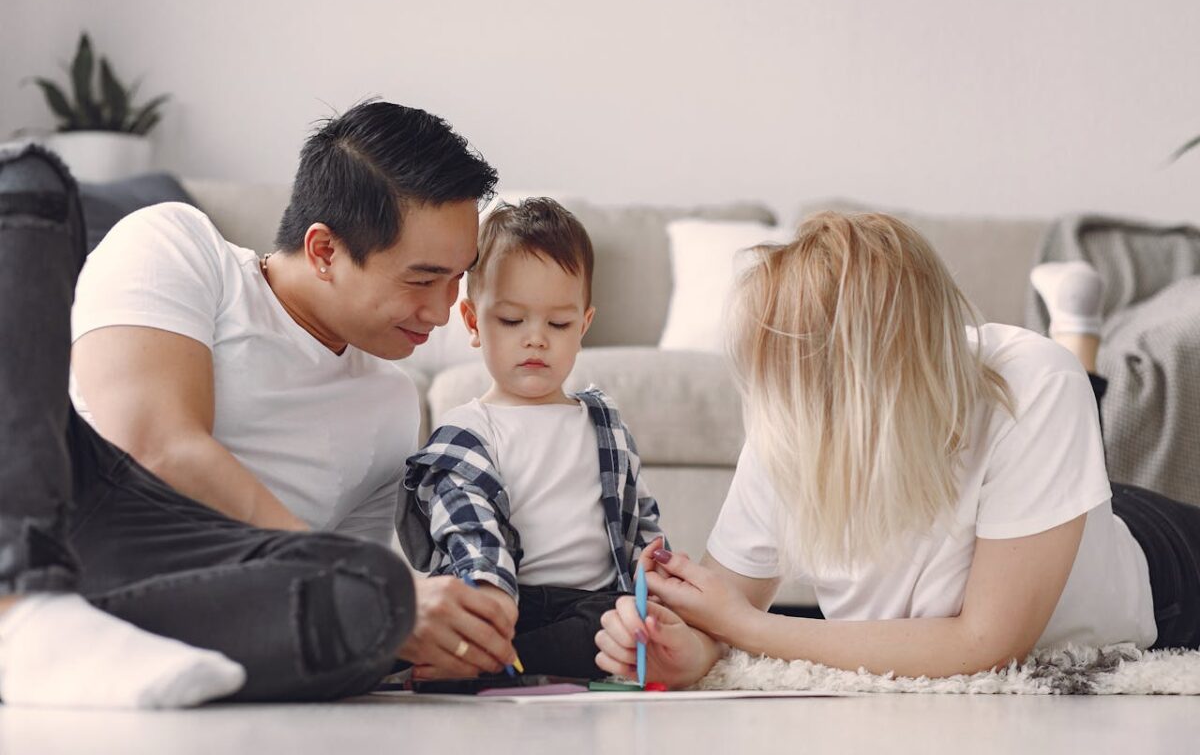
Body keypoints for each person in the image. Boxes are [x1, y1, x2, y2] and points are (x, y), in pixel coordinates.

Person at [0, 101, 515, 708]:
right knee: (28, 180)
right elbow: (156, 449)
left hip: (213, 593)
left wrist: (424, 625)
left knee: (376, 598)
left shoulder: (392, 401)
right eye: (421, 279)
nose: (441, 310)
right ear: (324, 250)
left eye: (457, 279)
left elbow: (340, 586)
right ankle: (23, 606)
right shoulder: (181, 245)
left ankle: (89, 652)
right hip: (83, 518)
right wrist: (382, 588)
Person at [593, 211, 1200, 688]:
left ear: (864, 375)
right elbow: (718, 612)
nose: (777, 399)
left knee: (1061, 383)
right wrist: (675, 644)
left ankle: (1076, 334)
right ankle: (1077, 328)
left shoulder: (1034, 382)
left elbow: (983, 646)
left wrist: (748, 627)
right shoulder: (793, 410)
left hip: (1151, 562)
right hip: (1031, 506)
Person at [398, 198, 667, 678]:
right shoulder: (469, 430)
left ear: (583, 326)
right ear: (474, 322)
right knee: (472, 623)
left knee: (627, 625)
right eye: (511, 320)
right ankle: (485, 655)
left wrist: (655, 566)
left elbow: (639, 516)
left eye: (558, 324)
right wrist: (490, 599)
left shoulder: (603, 423)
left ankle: (490, 667)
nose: (536, 339)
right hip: (506, 599)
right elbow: (468, 527)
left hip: (593, 605)